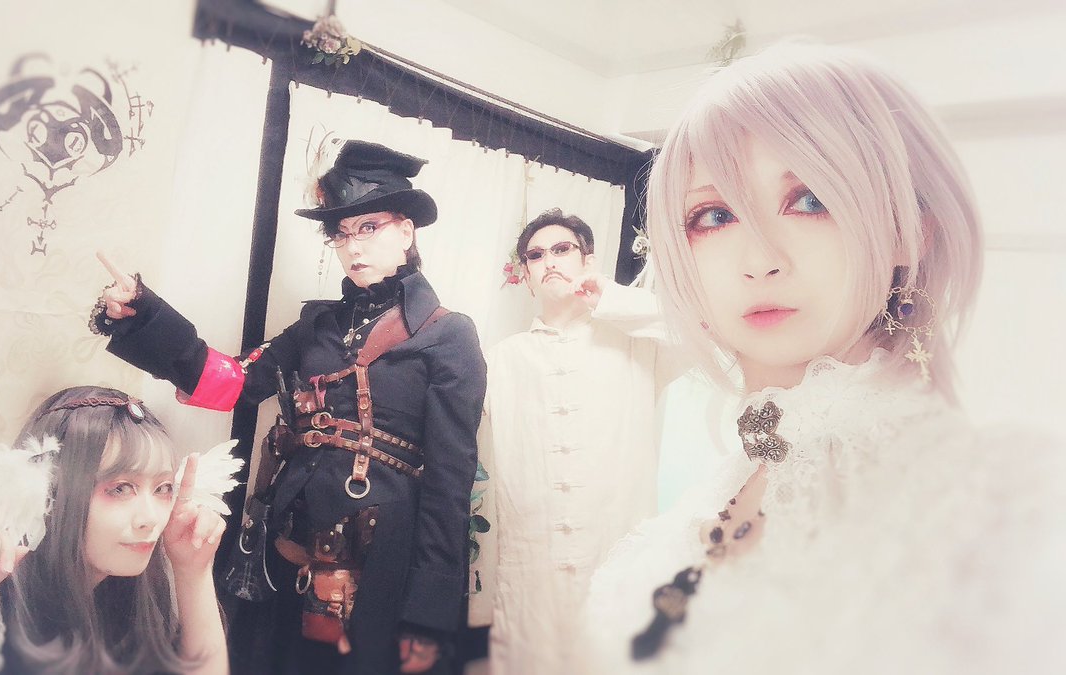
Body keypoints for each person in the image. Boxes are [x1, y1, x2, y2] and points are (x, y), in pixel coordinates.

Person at [583, 42, 1066, 674]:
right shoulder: (732, 477)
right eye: (714, 215)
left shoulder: (1003, 500)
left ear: (906, 232)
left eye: (811, 200)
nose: (759, 260)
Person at [93, 140, 486, 675]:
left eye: (369, 227)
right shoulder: (316, 327)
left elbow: (450, 479)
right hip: (288, 542)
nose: (352, 246)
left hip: (381, 559)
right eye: (341, 233)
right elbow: (232, 383)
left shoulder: (448, 335)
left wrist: (429, 612)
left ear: (406, 231)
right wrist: (144, 314)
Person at [0, 385, 231, 674]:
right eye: (120, 488)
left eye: (163, 488)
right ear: (49, 491)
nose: (151, 518)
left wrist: (193, 572)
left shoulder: (126, 599)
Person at [473, 208, 683, 675]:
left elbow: (698, 329)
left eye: (562, 249)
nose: (548, 260)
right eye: (536, 255)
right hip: (531, 580)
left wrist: (608, 297)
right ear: (527, 278)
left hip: (618, 565)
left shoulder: (639, 344)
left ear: (588, 261)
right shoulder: (501, 361)